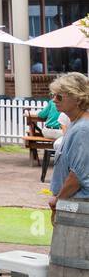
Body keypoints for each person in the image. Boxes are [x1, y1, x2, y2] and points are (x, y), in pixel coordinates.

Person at [48, 74, 89, 210]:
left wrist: (58, 200)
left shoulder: (82, 129)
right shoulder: (74, 124)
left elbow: (77, 176)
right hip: (72, 201)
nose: (54, 100)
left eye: (59, 96)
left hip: (78, 204)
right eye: (53, 95)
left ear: (77, 99)